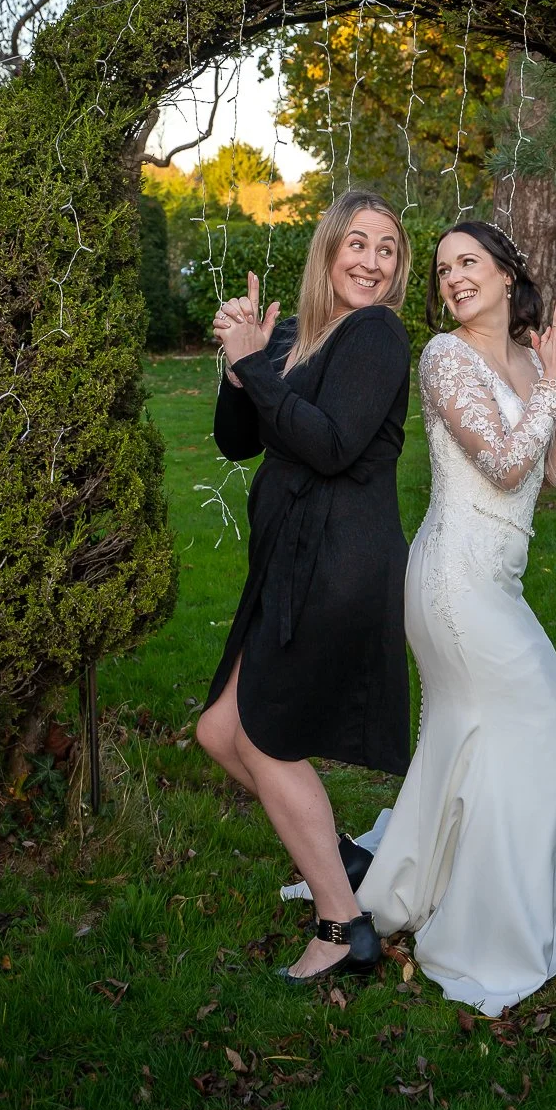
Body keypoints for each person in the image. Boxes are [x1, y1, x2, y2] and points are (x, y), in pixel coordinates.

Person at [352, 219, 556, 1013]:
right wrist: (552, 387)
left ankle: (446, 877)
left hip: (496, 583)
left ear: (509, 273)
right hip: (453, 582)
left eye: (468, 262)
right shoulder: (445, 357)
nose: (453, 279)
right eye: (442, 270)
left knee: (483, 740)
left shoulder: (530, 359)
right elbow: (506, 466)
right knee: (550, 731)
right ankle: (490, 923)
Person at [195, 189, 412, 984]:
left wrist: (257, 368)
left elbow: (329, 446)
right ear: (329, 249)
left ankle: (343, 926)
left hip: (340, 560)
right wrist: (240, 364)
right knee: (219, 731)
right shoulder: (295, 334)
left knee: (262, 735)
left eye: (387, 249)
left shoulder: (377, 334)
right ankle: (342, 858)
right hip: (288, 559)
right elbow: (236, 441)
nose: (372, 262)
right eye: (358, 243)